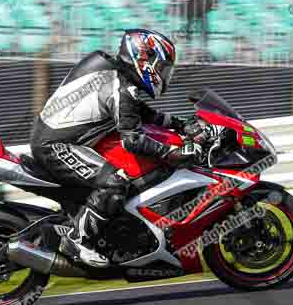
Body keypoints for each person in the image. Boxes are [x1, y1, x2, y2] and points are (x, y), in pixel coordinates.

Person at [30, 29, 199, 267]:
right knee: (115, 182)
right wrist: (171, 152)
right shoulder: (121, 86)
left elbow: (138, 113)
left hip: (60, 139)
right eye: (161, 67)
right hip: (57, 146)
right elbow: (132, 139)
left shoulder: (116, 75)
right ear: (144, 60)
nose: (163, 74)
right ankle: (77, 240)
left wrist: (180, 124)